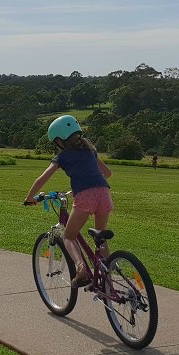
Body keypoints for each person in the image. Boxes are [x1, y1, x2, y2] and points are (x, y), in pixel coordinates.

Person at [24, 114, 113, 287]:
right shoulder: (90, 150)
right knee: (101, 238)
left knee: (69, 236)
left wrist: (29, 198)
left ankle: (81, 269)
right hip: (104, 193)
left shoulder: (63, 156)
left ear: (59, 140)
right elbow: (108, 174)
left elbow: (42, 179)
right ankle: (108, 281)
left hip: (85, 197)